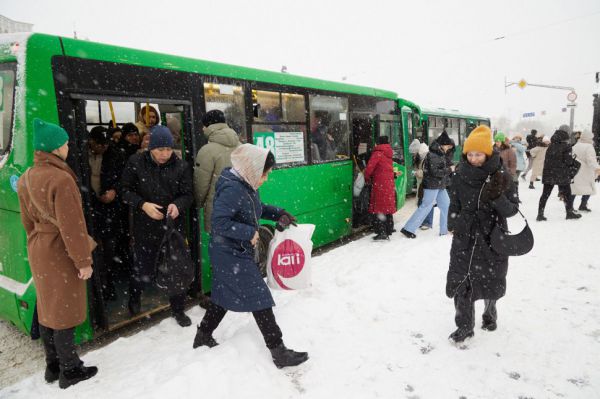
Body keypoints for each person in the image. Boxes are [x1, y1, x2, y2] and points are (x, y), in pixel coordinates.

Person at [192, 144, 309, 369]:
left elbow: (257, 208)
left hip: (235, 251)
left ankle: (203, 335)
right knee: (259, 297)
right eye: (265, 173)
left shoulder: (246, 184)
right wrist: (249, 232)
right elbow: (219, 222)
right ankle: (278, 351)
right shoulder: (233, 188)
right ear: (253, 169)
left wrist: (279, 213)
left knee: (224, 294)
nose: (266, 178)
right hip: (229, 253)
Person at [17, 119, 98, 388]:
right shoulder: (61, 178)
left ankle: (52, 366)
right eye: (64, 143)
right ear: (54, 148)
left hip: (39, 247)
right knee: (64, 312)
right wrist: (83, 261)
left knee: (48, 308)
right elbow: (72, 227)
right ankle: (70, 370)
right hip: (61, 251)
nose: (67, 147)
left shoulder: (27, 176)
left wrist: (37, 243)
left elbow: (26, 221)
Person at [446, 125, 518, 343]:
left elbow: (512, 209)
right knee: (462, 280)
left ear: (487, 153)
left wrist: (497, 197)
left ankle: (489, 312)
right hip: (465, 234)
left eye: (478, 154)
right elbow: (454, 203)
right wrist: (453, 223)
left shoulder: (502, 176)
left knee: (490, 278)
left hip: (492, 235)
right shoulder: (459, 175)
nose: (473, 158)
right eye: (470, 154)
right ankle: (465, 326)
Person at [120, 125, 194, 326]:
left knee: (175, 268)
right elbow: (124, 191)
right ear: (150, 148)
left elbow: (188, 194)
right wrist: (143, 205)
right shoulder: (136, 163)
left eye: (169, 149)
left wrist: (178, 205)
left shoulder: (181, 166)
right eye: (160, 150)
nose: (165, 154)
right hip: (145, 226)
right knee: (142, 267)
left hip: (172, 228)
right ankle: (134, 297)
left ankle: (178, 309)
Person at [87, 126, 126, 301]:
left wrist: (114, 191)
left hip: (109, 208)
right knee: (93, 248)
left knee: (109, 248)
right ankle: (96, 285)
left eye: (106, 145)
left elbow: (123, 178)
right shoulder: (80, 154)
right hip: (89, 206)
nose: (103, 148)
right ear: (91, 142)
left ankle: (108, 283)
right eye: (99, 145)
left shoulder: (115, 154)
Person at [194, 109, 241, 232]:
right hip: (239, 205)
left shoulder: (207, 150)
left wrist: (197, 204)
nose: (203, 129)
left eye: (203, 126)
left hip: (218, 209)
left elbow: (201, 185)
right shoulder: (241, 146)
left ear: (208, 126)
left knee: (219, 246)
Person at [401, 131, 454, 238]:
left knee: (445, 204)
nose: (448, 148)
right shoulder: (434, 154)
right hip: (432, 184)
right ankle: (408, 228)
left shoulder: (439, 153)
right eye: (447, 146)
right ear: (442, 145)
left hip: (439, 185)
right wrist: (449, 169)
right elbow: (435, 172)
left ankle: (444, 230)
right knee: (426, 206)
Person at [537, 129, 582, 221]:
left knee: (545, 194)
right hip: (562, 174)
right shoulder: (567, 146)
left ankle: (540, 214)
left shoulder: (550, 146)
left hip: (549, 173)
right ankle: (569, 212)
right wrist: (573, 159)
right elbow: (568, 161)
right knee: (567, 194)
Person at [364, 136, 397, 240]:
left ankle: (382, 232)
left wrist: (367, 178)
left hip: (380, 184)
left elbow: (369, 168)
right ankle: (390, 228)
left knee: (380, 208)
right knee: (387, 206)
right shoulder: (389, 152)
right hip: (389, 183)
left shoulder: (378, 153)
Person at [570, 131, 600, 211]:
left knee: (574, 189)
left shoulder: (576, 145)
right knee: (588, 189)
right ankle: (583, 205)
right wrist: (597, 168)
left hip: (576, 170)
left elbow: (571, 156)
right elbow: (591, 160)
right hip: (586, 171)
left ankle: (570, 206)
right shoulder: (589, 147)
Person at [494, 132, 517, 201]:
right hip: (495, 175)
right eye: (495, 141)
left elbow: (513, 164)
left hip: (505, 175)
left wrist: (510, 173)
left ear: (502, 141)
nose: (496, 143)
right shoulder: (493, 149)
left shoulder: (509, 151)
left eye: (498, 141)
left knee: (504, 193)